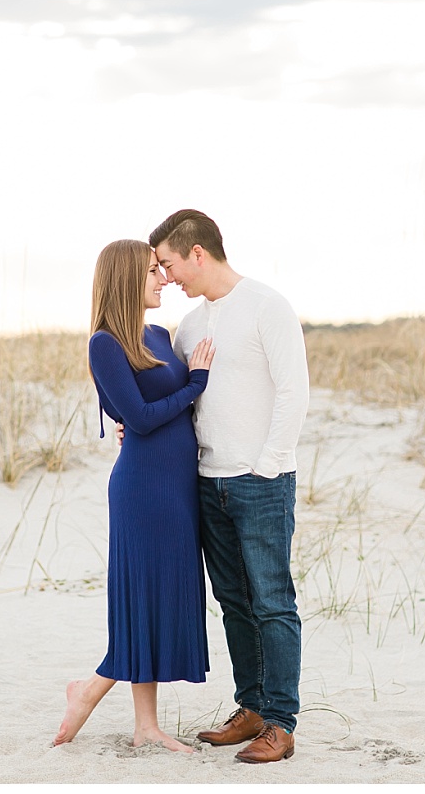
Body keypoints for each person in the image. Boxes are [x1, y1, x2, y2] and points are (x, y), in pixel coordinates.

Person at [151, 209, 310, 763]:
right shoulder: (191, 325)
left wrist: (267, 465)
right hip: (207, 481)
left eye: (170, 264)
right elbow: (180, 396)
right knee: (233, 601)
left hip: (261, 482)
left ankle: (281, 723)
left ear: (198, 252)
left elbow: (294, 391)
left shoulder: (268, 305)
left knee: (271, 601)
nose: (167, 277)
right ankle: (252, 709)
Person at [53, 239, 216, 754]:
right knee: (141, 598)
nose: (163, 278)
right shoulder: (104, 343)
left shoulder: (161, 334)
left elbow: (151, 414)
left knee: (162, 597)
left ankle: (146, 725)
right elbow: (141, 420)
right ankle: (90, 688)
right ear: (126, 277)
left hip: (178, 487)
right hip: (142, 489)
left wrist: (188, 391)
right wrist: (196, 383)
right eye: (152, 271)